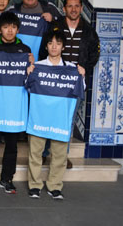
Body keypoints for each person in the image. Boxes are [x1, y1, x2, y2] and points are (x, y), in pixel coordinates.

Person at [38, 0, 100, 168]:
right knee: (48, 117)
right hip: (52, 82)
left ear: (81, 8)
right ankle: (43, 153)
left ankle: (62, 156)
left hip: (74, 84)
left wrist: (84, 67)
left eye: (77, 6)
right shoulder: (54, 26)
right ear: (64, 8)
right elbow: (44, 50)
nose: (73, 9)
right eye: (70, 6)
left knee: (67, 120)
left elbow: (95, 53)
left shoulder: (89, 30)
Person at [26, 32, 85, 200]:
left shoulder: (73, 69)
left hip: (60, 118)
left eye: (58, 43)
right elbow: (27, 87)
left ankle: (54, 186)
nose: (54, 46)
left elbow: (81, 90)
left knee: (59, 155)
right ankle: (35, 185)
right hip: (39, 116)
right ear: (46, 46)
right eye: (50, 43)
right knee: (35, 153)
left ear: (63, 47)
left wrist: (81, 75)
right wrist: (29, 73)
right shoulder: (37, 66)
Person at [0, 11, 33, 194]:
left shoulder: (25, 50)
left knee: (12, 145)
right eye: (6, 27)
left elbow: (30, 80)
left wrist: (31, 69)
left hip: (15, 105)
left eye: (13, 27)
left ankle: (7, 178)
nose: (10, 31)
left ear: (18, 29)